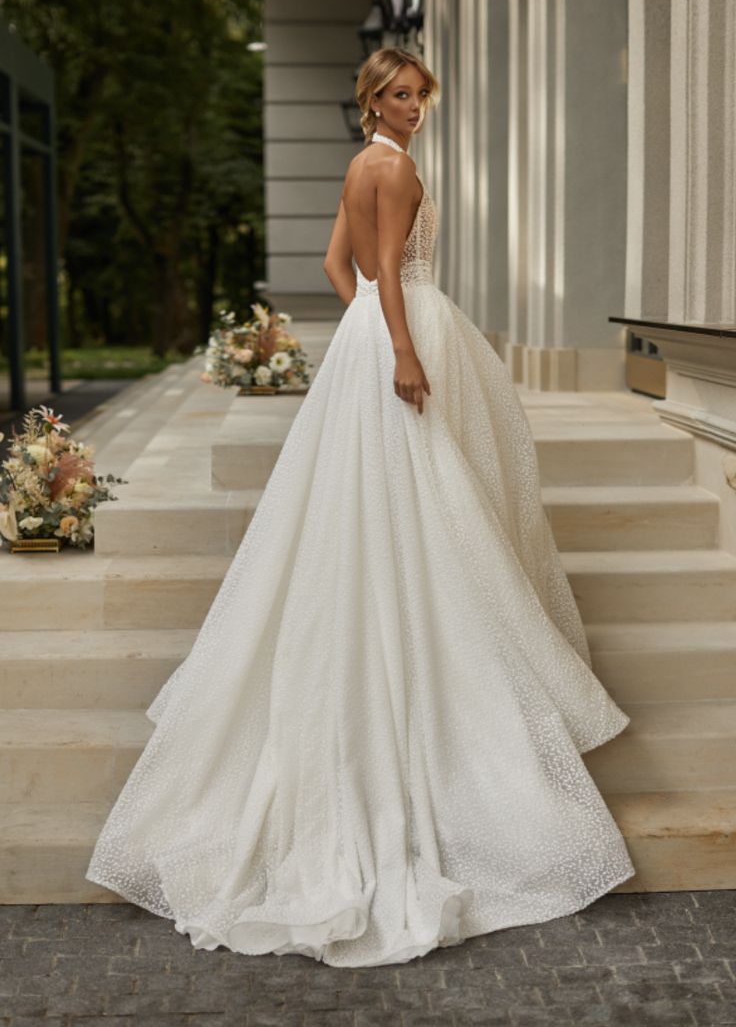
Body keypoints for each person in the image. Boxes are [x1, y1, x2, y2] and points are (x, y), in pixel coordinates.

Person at [85, 47, 636, 968]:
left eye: (421, 94)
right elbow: (382, 270)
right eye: (399, 94)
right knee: (437, 511)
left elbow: (332, 265)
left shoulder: (357, 164)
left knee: (387, 514)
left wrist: (361, 340)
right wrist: (402, 349)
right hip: (403, 340)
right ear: (372, 98)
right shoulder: (400, 168)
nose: (415, 107)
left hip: (367, 348)